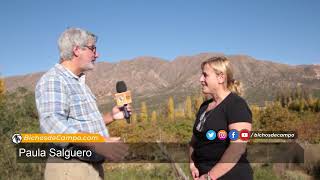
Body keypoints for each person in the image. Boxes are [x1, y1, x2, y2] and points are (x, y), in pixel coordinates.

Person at [35, 27, 129, 180]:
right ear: (77, 50)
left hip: (88, 167)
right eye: (93, 49)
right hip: (71, 168)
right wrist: (98, 142)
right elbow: (52, 124)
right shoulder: (54, 80)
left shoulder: (78, 82)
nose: (97, 54)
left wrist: (110, 116)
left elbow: (80, 124)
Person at [189, 56, 253, 180]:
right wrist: (192, 164)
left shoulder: (236, 105)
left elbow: (237, 147)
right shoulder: (204, 106)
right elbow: (194, 141)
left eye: (205, 75)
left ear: (221, 77)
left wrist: (209, 177)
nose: (200, 79)